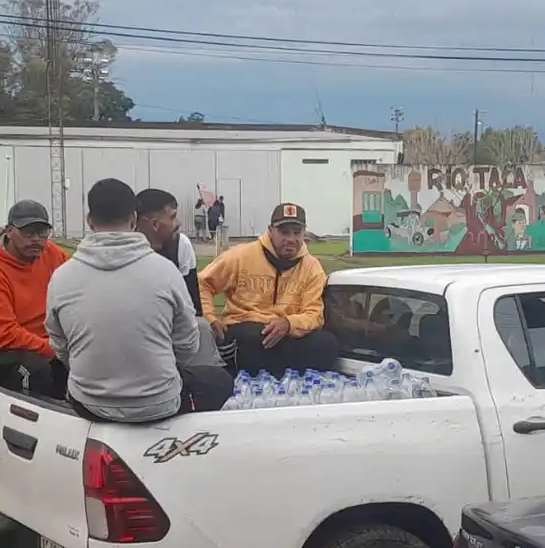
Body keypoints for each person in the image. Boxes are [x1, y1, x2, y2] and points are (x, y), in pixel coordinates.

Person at [46, 179, 233, 422]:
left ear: (89, 220)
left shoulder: (61, 277)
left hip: (89, 403)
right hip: (159, 402)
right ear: (134, 219)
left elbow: (60, 345)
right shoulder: (165, 272)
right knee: (220, 380)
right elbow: (187, 344)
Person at [199, 202, 339, 375]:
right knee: (254, 338)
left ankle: (284, 381)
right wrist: (211, 318)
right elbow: (202, 283)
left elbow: (314, 315)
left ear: (304, 234)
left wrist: (288, 324)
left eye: (297, 233)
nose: (290, 239)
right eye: (284, 232)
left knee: (327, 344)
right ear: (270, 230)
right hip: (247, 329)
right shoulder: (241, 256)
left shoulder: (312, 267)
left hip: (286, 332)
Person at [0, 200, 70, 397]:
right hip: (2, 350)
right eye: (28, 232)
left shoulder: (52, 254)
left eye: (42, 233)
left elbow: (77, 281)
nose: (36, 239)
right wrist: (51, 349)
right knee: (37, 374)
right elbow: (2, 335)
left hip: (47, 341)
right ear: (9, 231)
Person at [135, 188, 201, 316]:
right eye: (173, 217)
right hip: (135, 325)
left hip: (172, 327)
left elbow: (192, 306)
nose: (178, 224)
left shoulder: (181, 245)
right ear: (154, 224)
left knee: (202, 327)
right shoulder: (123, 251)